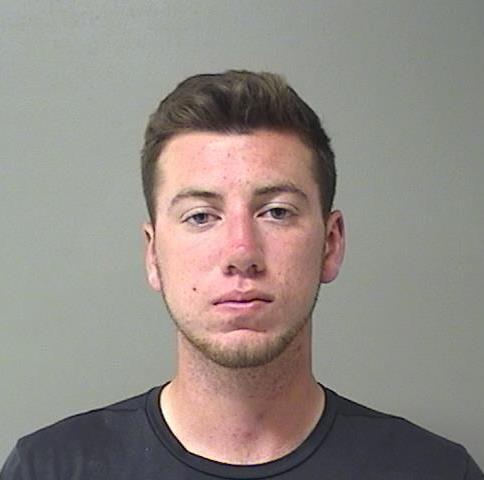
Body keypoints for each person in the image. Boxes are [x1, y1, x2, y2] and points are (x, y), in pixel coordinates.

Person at [2, 70, 482, 479]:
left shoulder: (435, 471)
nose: (241, 252)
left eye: (276, 212)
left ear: (330, 244)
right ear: (153, 254)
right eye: (200, 216)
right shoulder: (48, 469)